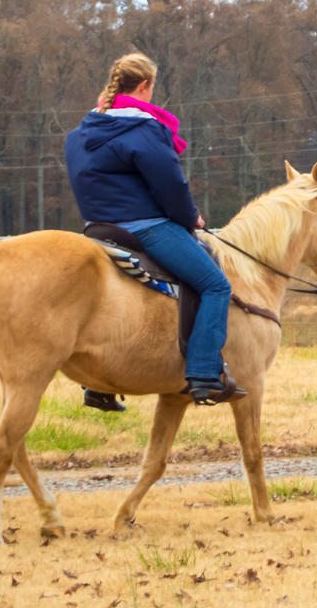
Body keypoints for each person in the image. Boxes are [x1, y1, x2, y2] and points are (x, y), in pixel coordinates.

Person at [65, 53, 244, 406]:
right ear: (145, 86)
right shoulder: (143, 129)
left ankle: (98, 384)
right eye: (152, 87)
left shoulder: (80, 134)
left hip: (97, 228)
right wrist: (190, 217)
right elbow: (171, 186)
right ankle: (204, 373)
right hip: (144, 226)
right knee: (215, 285)